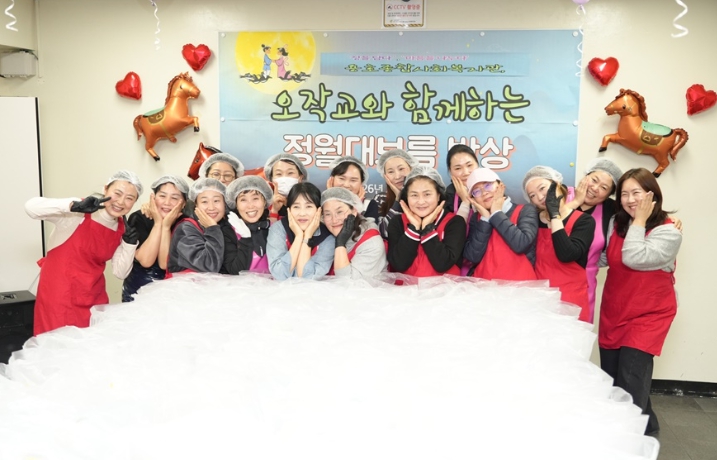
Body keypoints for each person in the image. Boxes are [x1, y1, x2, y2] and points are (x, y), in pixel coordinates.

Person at [599, 168, 682, 436]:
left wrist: (640, 221)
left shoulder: (669, 232)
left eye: (636, 193)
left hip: (649, 314)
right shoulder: (617, 223)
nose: (630, 199)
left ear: (652, 195)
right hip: (615, 309)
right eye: (624, 194)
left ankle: (631, 441)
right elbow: (605, 257)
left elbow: (634, 257)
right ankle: (649, 427)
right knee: (615, 379)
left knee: (631, 379)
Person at [25, 170, 143, 335]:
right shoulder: (78, 212)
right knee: (57, 345)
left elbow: (120, 273)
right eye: (117, 193)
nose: (121, 202)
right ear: (105, 189)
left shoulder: (123, 228)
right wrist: (72, 205)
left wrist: (129, 245)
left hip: (93, 298)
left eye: (129, 198)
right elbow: (31, 208)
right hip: (59, 295)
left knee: (91, 347)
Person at [523, 166, 595, 322]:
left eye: (542, 188)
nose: (540, 197)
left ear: (557, 184)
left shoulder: (584, 221)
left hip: (571, 299)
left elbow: (567, 254)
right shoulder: (532, 221)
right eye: (532, 195)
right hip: (541, 299)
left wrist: (554, 214)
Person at [387, 166, 466, 276]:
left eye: (427, 194)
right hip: (405, 287)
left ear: (438, 195)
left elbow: (443, 264)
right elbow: (398, 265)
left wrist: (427, 229)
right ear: (407, 197)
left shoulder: (455, 222)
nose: (421, 201)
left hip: (446, 287)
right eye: (414, 195)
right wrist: (413, 229)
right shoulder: (397, 222)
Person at [122, 175, 189, 302]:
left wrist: (166, 227)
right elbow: (146, 261)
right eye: (162, 196)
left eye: (174, 198)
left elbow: (165, 264)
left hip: (172, 294)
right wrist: (158, 223)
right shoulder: (139, 218)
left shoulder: (187, 225)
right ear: (153, 198)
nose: (167, 202)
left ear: (184, 203)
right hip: (137, 291)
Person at [463, 168, 538, 281]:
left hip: (520, 286)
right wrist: (485, 219)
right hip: (483, 287)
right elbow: (472, 257)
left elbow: (521, 244)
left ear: (500, 185)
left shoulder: (525, 210)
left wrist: (496, 213)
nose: (484, 193)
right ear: (473, 199)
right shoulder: (476, 218)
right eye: (476, 191)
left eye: (488, 185)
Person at [167, 178, 237, 275]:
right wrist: (212, 229)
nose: (211, 207)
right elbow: (209, 266)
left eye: (216, 200)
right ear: (196, 205)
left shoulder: (226, 226)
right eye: (204, 202)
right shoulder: (186, 229)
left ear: (224, 203)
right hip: (186, 283)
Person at [266, 182, 334, 280]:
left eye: (309, 206)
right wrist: (299, 237)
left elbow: (307, 278)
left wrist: (307, 236)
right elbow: (280, 274)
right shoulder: (278, 229)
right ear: (289, 210)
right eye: (296, 207)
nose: (302, 213)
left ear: (319, 210)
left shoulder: (327, 237)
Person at [321, 188, 387, 279]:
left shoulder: (371, 242)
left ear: (354, 211)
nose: (334, 220)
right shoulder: (325, 235)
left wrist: (340, 243)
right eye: (328, 214)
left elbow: (346, 282)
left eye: (339, 212)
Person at [223, 176, 274, 274]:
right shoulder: (228, 232)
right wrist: (245, 238)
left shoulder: (274, 229)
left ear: (265, 202)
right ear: (236, 204)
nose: (250, 205)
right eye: (243, 200)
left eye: (255, 198)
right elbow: (235, 271)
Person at [373, 149, 418, 239]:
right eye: (390, 172)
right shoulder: (381, 198)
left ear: (411, 169)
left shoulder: (421, 198)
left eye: (401, 169)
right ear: (385, 176)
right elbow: (383, 233)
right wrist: (398, 199)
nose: (397, 176)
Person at [326, 156, 379, 220]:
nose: (346, 185)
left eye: (353, 180)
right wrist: (330, 199)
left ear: (361, 183)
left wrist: (357, 205)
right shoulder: (321, 203)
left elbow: (368, 226)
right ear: (332, 179)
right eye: (342, 178)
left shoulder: (368, 205)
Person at [263, 153, 308, 222]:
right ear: (271, 179)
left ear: (300, 177)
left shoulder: (309, 202)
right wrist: (274, 211)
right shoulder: (264, 204)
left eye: (290, 173)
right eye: (279, 174)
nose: (284, 178)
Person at [445, 144, 480, 221]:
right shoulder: (447, 196)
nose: (465, 172)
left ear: (477, 165)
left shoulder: (490, 189)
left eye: (469, 165)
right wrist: (465, 202)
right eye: (458, 168)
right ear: (450, 171)